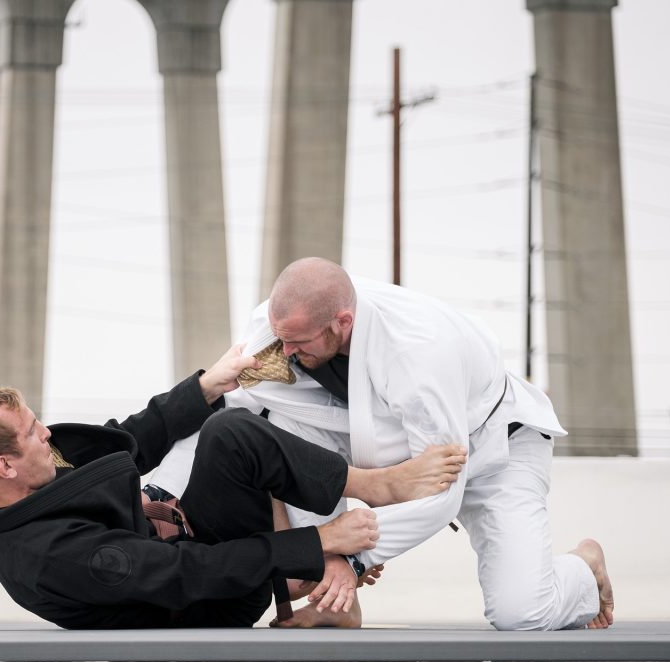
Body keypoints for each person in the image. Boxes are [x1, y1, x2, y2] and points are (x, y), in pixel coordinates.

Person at [0, 345, 467, 629]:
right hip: (204, 600)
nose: (45, 431)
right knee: (236, 435)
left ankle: (366, 492)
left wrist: (208, 384)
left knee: (227, 423)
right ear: (4, 466)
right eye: (32, 431)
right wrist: (321, 540)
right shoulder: (53, 557)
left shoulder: (26, 472)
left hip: (175, 539)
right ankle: (320, 568)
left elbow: (123, 443)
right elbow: (192, 573)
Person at [227, 257, 614, 631]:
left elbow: (441, 493)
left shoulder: (418, 356)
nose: (287, 351)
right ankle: (340, 606)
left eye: (297, 342)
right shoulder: (277, 324)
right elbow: (239, 416)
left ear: (342, 322)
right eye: (282, 339)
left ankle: (584, 566)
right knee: (284, 425)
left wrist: (355, 560)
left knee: (523, 613)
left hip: (494, 447)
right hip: (385, 445)